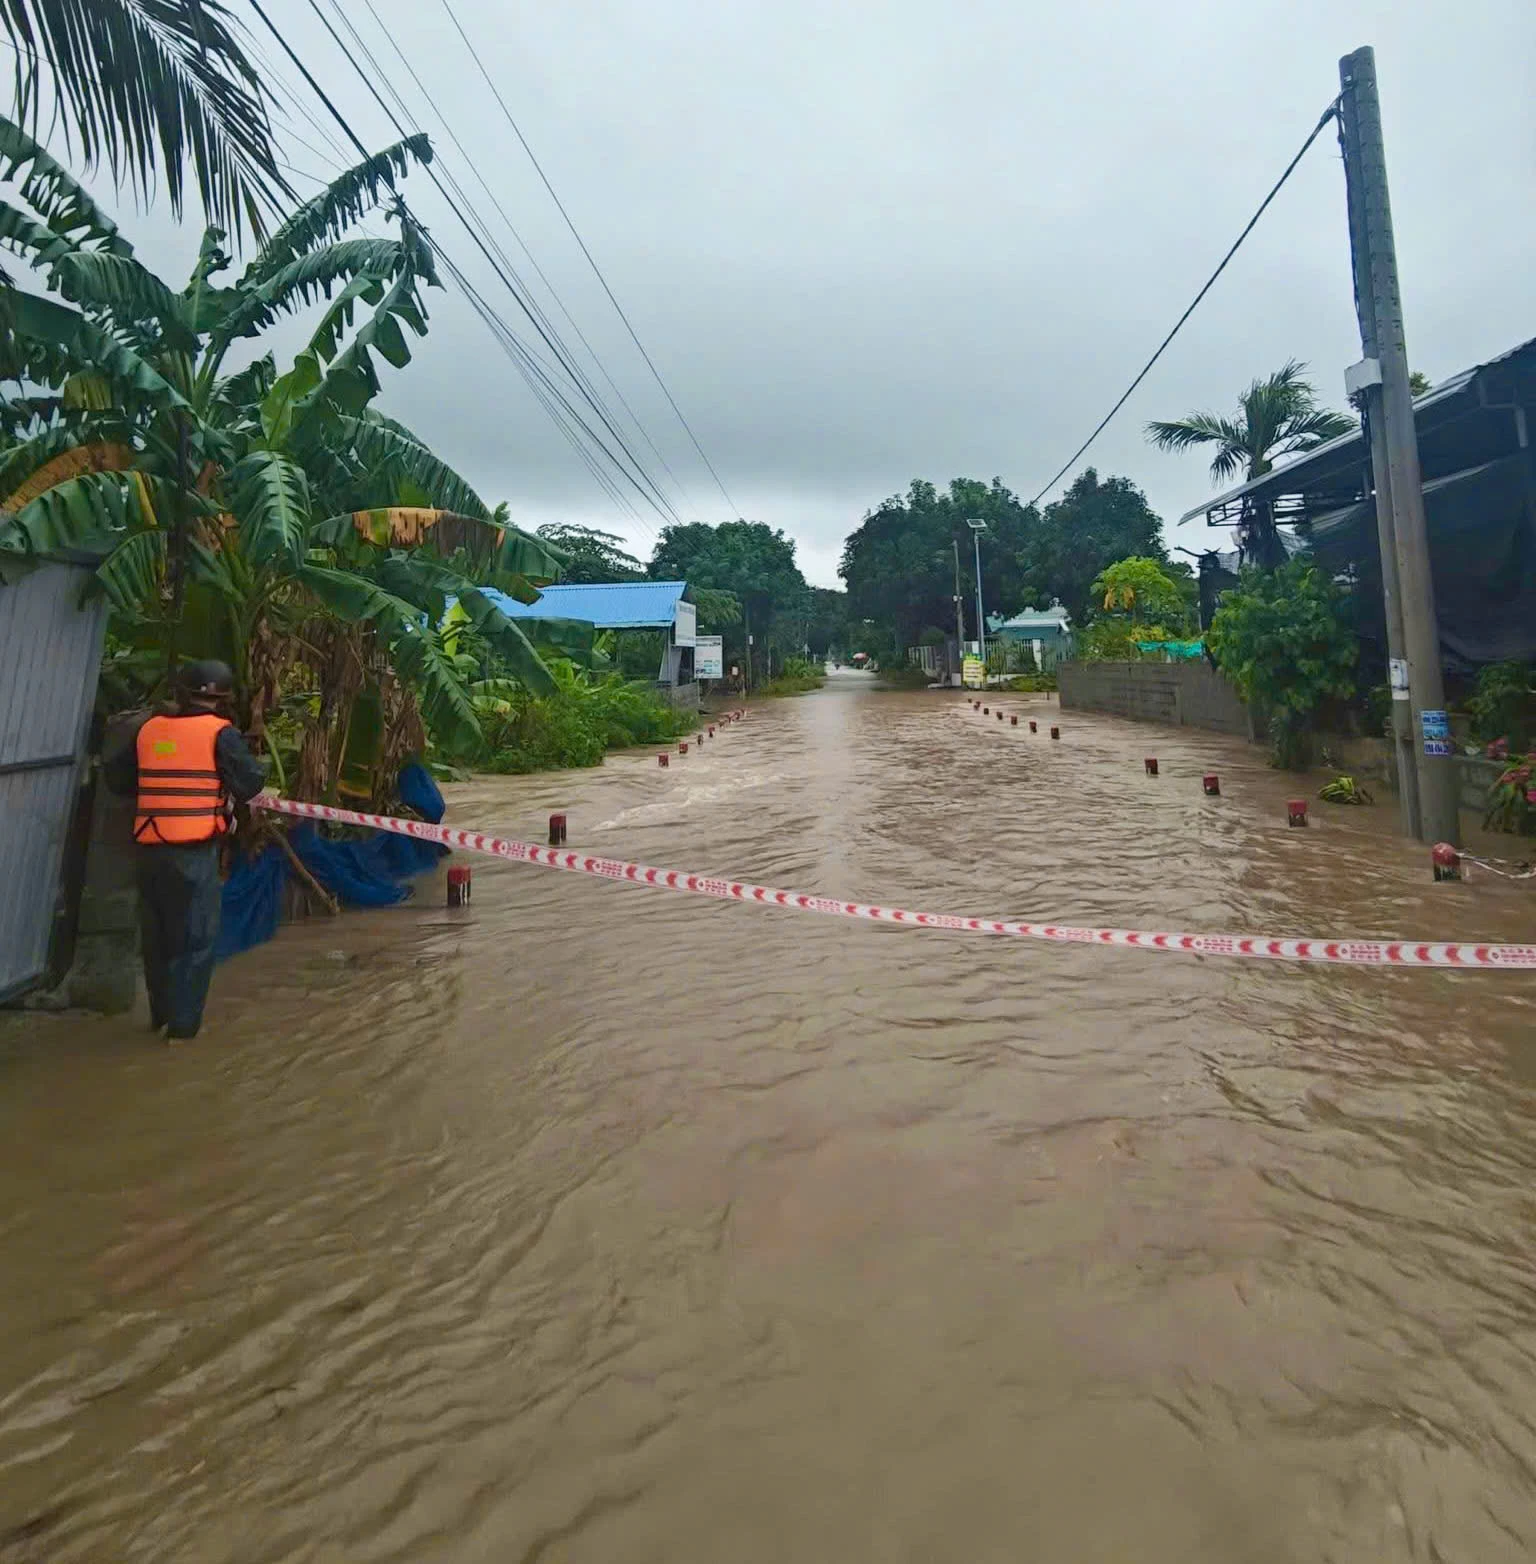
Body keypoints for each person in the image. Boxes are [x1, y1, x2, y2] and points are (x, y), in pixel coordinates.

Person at [104, 660, 266, 1039]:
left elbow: (118, 780)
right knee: (195, 940)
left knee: (157, 938)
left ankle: (159, 1016)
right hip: (193, 853)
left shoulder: (149, 730)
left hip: (148, 848)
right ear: (224, 698)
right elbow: (251, 783)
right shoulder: (220, 734)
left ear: (180, 692)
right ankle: (183, 1030)